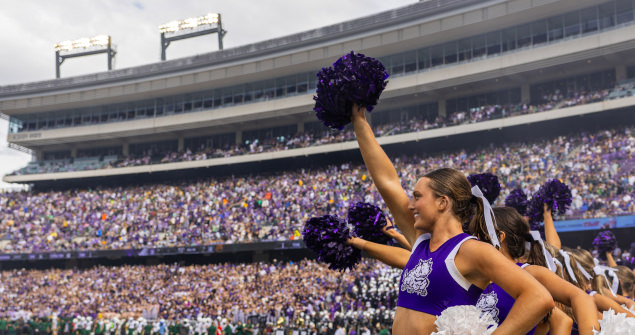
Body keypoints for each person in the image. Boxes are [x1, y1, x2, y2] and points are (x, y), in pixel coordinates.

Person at [350, 105, 553, 334]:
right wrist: (359, 121)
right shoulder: (421, 243)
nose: (410, 205)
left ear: (442, 202)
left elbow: (539, 297)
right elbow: (387, 182)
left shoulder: (472, 250)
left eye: (418, 197)